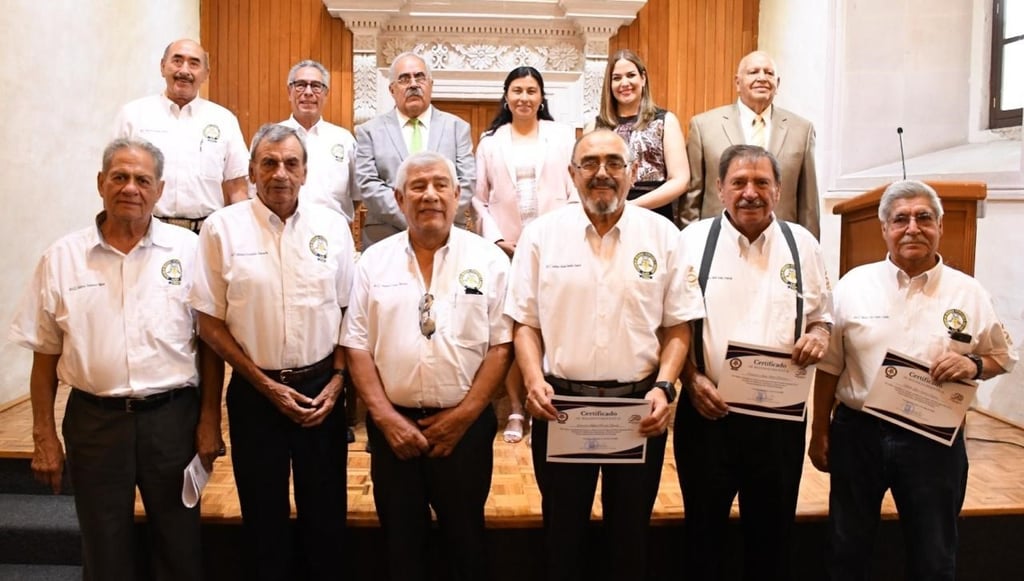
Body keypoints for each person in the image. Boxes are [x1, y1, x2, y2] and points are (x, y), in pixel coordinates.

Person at [9, 137, 224, 580]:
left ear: (159, 190)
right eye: (120, 177)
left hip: (172, 421)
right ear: (100, 183)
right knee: (104, 547)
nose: (131, 188)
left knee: (179, 545)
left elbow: (209, 344)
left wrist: (208, 421)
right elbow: (45, 355)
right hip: (95, 423)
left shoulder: (188, 251)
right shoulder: (62, 259)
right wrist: (43, 435)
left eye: (142, 179)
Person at [506, 129, 702, 581]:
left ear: (632, 174)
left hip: (638, 411)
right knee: (561, 539)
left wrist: (665, 385)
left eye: (614, 163)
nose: (602, 173)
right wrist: (534, 380)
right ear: (572, 174)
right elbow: (525, 323)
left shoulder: (664, 236)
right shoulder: (541, 236)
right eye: (590, 163)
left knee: (630, 541)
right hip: (562, 410)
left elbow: (678, 324)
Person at [808, 180, 1017, 581]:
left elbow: (1003, 358)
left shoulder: (968, 292)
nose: (912, 227)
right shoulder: (853, 285)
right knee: (846, 548)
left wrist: (974, 365)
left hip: (933, 440)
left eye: (924, 217)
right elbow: (831, 366)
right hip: (859, 435)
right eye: (900, 219)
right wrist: (820, 431)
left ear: (939, 225)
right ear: (884, 228)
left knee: (934, 555)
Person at [189, 124, 355, 581]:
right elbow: (208, 321)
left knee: (326, 517)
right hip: (254, 392)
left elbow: (349, 312)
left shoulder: (334, 227)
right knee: (263, 518)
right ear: (251, 171)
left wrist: (339, 381)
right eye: (269, 163)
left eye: (291, 163)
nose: (280, 173)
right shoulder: (222, 229)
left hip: (322, 393)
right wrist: (263, 384)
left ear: (305, 172)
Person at [341, 150, 512, 581]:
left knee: (467, 545)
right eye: (417, 187)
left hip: (466, 431)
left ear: (458, 195)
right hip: (393, 430)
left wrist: (464, 417)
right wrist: (383, 418)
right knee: (401, 549)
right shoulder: (372, 262)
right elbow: (356, 345)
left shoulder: (490, 261)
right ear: (399, 199)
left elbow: (500, 347)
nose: (430, 195)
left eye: (440, 185)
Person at [674, 144, 832, 580]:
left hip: (780, 420)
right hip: (708, 413)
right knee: (703, 536)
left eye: (762, 182)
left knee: (773, 537)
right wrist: (690, 379)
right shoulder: (690, 241)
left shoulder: (804, 244)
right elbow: (671, 325)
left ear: (778, 190)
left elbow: (823, 317)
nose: (750, 192)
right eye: (739, 182)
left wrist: (819, 335)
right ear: (720, 189)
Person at [471, 66, 577, 444]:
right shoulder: (490, 142)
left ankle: (544, 406)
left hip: (555, 247)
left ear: (542, 96)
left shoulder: (562, 136)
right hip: (506, 250)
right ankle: (517, 408)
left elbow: (574, 191)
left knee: (549, 328)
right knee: (514, 329)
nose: (524, 98)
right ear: (506, 96)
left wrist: (560, 234)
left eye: (532, 91)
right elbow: (478, 199)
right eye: (517, 90)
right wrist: (498, 240)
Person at [114, 38, 249, 233]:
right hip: (146, 232)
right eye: (177, 61)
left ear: (205, 74)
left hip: (206, 234)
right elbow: (115, 179)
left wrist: (239, 236)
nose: (184, 71)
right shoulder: (133, 115)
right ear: (162, 67)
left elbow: (236, 186)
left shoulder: (224, 120)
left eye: (194, 64)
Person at [683, 51, 820, 238]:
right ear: (737, 83)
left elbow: (809, 203)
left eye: (769, 73)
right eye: (754, 72)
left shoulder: (802, 130)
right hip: (719, 239)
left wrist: (809, 249)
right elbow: (692, 196)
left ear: (777, 84)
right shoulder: (704, 126)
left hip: (780, 241)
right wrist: (692, 244)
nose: (762, 78)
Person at [355, 51, 476, 248]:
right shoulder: (369, 131)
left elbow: (467, 182)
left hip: (448, 239)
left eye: (420, 77)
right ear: (392, 89)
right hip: (386, 240)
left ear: (430, 84)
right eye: (404, 79)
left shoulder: (457, 128)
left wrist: (436, 221)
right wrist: (415, 219)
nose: (413, 84)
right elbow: (367, 184)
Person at [590, 49, 689, 224]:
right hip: (607, 212)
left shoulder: (665, 121)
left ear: (643, 79)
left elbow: (680, 179)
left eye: (631, 75)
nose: (624, 83)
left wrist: (633, 206)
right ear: (609, 84)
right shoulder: (595, 126)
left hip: (655, 213)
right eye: (617, 78)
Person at [275, 59, 359, 222]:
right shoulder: (272, 137)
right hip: (282, 230)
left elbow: (356, 195)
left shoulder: (344, 139)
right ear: (289, 92)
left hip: (332, 233)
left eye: (316, 86)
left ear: (326, 94)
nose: (308, 92)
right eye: (300, 85)